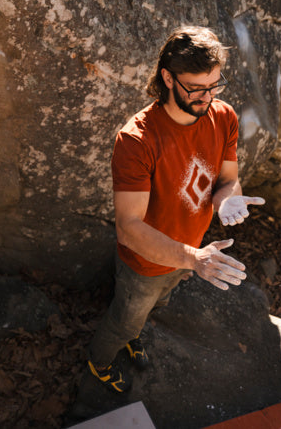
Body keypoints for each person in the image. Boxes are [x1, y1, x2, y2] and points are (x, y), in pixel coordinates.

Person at [87, 25, 265, 392]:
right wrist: (195, 260)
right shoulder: (136, 140)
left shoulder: (224, 116)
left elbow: (227, 179)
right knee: (123, 320)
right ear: (167, 78)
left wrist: (228, 197)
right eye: (196, 88)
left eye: (215, 85)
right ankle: (99, 362)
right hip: (146, 264)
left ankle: (133, 337)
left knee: (155, 308)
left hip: (187, 254)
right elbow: (129, 227)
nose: (207, 97)